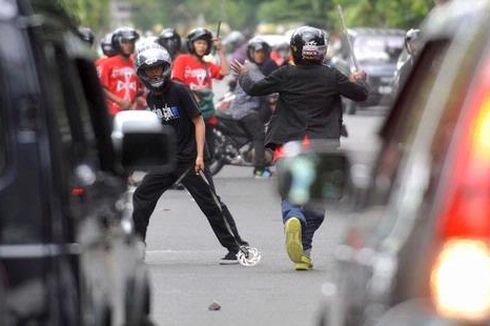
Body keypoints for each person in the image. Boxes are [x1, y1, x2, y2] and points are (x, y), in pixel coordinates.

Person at [231, 26, 369, 270]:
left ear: (295, 50)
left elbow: (254, 88)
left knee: (291, 192)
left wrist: (244, 74)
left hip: (287, 144)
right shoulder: (332, 76)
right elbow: (360, 95)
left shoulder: (286, 74)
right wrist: (359, 80)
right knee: (317, 199)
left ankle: (293, 218)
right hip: (321, 146)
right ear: (321, 51)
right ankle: (304, 251)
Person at [132, 43, 248, 265]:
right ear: (142, 73)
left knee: (211, 203)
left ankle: (237, 247)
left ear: (166, 68)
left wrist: (199, 156)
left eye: (158, 68)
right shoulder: (151, 98)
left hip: (189, 160)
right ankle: (137, 246)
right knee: (141, 196)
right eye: (149, 70)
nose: (154, 73)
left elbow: (198, 121)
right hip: (167, 160)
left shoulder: (179, 90)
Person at [172, 27, 229, 158]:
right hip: (187, 115)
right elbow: (177, 83)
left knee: (208, 154)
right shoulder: (182, 60)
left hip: (206, 115)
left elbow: (225, 72)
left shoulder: (208, 65)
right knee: (189, 153)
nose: (202, 46)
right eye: (198, 43)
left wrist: (220, 50)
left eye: (205, 43)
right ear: (191, 44)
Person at [228, 37, 278, 178]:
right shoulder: (252, 67)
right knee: (259, 134)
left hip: (244, 107)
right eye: (256, 52)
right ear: (251, 53)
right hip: (246, 109)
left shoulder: (251, 66)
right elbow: (267, 85)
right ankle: (259, 169)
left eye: (262, 52)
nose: (259, 55)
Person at [98, 26, 145, 116]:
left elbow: (139, 89)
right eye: (124, 42)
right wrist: (119, 101)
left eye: (131, 42)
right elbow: (101, 88)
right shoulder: (106, 63)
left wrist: (136, 100)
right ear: (116, 43)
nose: (129, 45)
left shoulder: (136, 64)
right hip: (112, 113)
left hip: (132, 112)